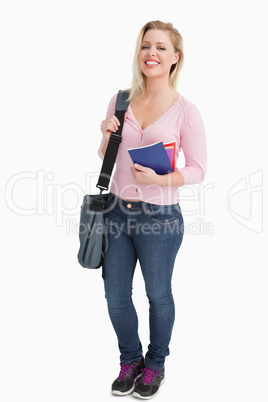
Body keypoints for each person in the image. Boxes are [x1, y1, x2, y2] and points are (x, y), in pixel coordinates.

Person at [97, 20, 207, 399]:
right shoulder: (121, 100)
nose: (152, 54)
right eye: (146, 46)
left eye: (161, 47)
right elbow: (108, 158)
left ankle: (155, 364)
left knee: (158, 294)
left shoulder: (185, 111)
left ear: (175, 58)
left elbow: (198, 170)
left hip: (159, 217)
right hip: (115, 212)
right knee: (115, 296)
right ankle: (131, 360)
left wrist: (162, 180)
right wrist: (106, 134)